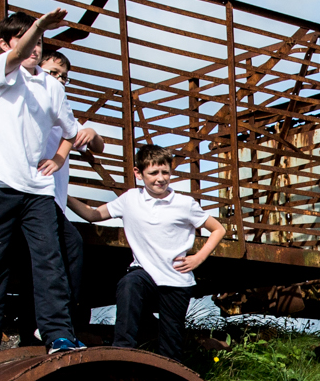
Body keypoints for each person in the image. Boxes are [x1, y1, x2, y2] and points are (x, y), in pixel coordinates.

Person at [0, 9, 95, 368]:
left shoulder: (52, 88)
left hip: (38, 191)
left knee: (50, 262)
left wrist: (60, 158)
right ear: (7, 44)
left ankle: (58, 335)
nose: (35, 48)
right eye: (28, 40)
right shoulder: (5, 73)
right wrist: (38, 27)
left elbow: (71, 130)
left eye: (40, 42)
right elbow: (7, 58)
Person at [64, 143, 223, 362]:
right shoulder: (130, 199)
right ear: (139, 174)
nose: (160, 178)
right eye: (153, 173)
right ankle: (122, 352)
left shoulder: (184, 204)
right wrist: (62, 195)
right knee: (129, 283)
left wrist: (198, 258)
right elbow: (93, 215)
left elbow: (218, 229)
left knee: (170, 346)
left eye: (165, 172)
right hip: (145, 273)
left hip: (176, 279)